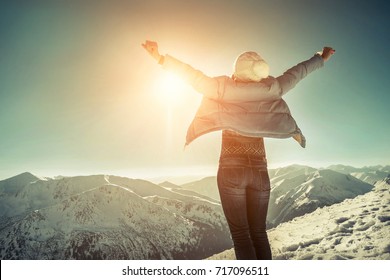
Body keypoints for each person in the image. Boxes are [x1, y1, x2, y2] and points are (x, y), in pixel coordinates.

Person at [142, 40, 335, 260]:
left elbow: (192, 76)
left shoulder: (222, 88)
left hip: (231, 168)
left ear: (236, 71)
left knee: (242, 236)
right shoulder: (273, 88)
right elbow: (298, 72)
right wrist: (320, 57)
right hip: (259, 170)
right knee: (259, 233)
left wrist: (160, 58)